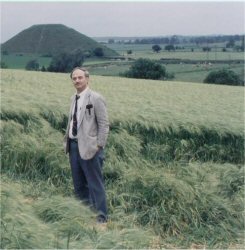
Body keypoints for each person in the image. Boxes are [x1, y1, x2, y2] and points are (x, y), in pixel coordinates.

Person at [64, 67, 109, 224]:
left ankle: (101, 217)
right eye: (74, 78)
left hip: (91, 148)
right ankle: (85, 213)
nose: (77, 80)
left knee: (95, 183)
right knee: (79, 184)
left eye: (80, 77)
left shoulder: (95, 98)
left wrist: (99, 145)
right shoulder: (73, 99)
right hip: (74, 146)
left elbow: (104, 124)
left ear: (87, 79)